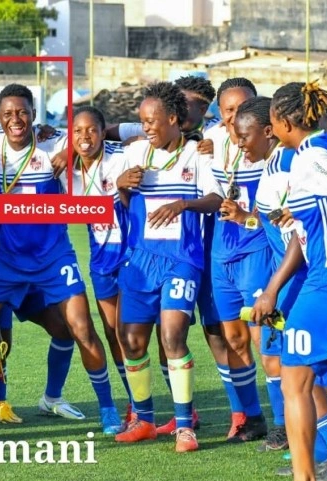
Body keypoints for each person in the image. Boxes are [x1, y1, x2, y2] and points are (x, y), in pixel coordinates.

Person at [0, 83, 123, 435]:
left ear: (35, 114)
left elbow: (99, 135)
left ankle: (106, 408)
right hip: (3, 256)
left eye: (23, 112)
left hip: (52, 256)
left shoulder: (55, 141)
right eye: (8, 113)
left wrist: (70, 147)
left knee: (79, 329)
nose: (15, 119)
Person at [234, 95, 327, 479]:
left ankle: (305, 476)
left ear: (282, 123)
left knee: (294, 380)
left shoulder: (309, 156)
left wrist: (270, 291)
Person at [113, 81, 223, 452]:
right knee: (132, 341)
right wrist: (122, 185)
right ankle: (143, 421)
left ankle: (185, 426)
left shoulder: (197, 154)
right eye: (142, 121)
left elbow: (215, 199)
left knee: (173, 336)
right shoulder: (136, 152)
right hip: (140, 259)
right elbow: (123, 200)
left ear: (173, 119)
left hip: (181, 260)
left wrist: (182, 205)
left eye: (151, 121)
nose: (146, 127)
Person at [206, 77, 271, 443]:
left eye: (243, 107)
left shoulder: (269, 146)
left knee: (263, 337)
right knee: (233, 337)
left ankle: (283, 422)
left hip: (257, 249)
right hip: (222, 252)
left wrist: (246, 218)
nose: (235, 116)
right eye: (229, 110)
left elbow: (274, 210)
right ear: (219, 112)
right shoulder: (212, 140)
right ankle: (253, 418)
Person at [69, 106, 132, 418]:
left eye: (92, 130)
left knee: (130, 333)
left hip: (132, 257)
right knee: (112, 333)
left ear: (103, 131)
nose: (85, 137)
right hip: (101, 261)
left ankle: (150, 406)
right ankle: (134, 400)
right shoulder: (67, 170)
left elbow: (146, 132)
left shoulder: (121, 157)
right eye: (78, 131)